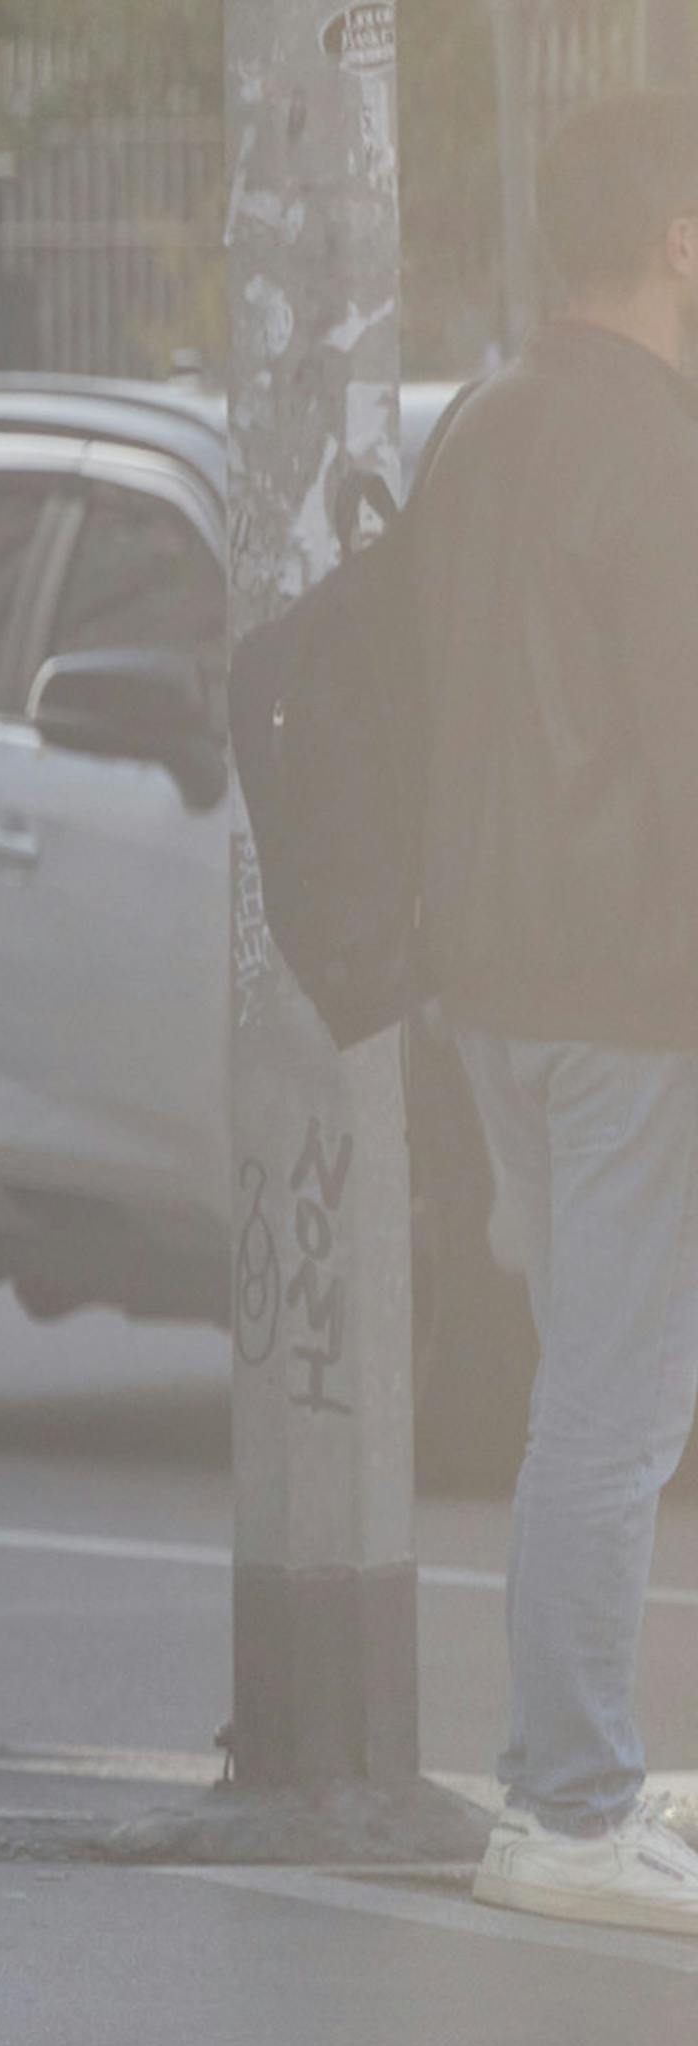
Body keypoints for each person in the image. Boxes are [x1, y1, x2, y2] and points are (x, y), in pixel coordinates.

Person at [414, 92, 698, 1940]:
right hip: (626, 987)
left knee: (583, 1388)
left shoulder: (484, 428)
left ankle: (583, 1770)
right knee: (617, 1404)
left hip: (490, 986)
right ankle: (571, 1802)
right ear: (676, 241)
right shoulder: (658, 450)